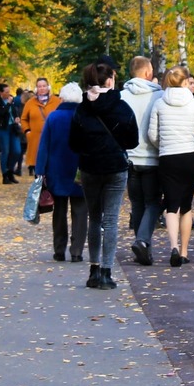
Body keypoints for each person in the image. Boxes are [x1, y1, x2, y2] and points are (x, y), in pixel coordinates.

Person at [69, 61, 139, 291]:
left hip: (90, 168)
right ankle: (107, 273)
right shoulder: (122, 107)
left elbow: (73, 143)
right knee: (111, 220)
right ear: (109, 80)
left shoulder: (82, 109)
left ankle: (94, 270)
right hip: (115, 168)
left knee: (95, 218)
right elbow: (133, 140)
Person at [148, 66, 194, 267]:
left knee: (171, 205)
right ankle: (184, 251)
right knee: (186, 205)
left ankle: (173, 246)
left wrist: (164, 144)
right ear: (185, 82)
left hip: (168, 157)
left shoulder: (159, 103)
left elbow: (152, 135)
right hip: (189, 156)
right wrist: (192, 139)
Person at [122, 56, 164, 266]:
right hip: (152, 157)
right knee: (153, 202)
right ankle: (142, 240)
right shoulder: (159, 95)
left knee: (137, 203)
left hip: (129, 157)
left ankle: (142, 246)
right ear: (148, 72)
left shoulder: (121, 96)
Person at [37, 83, 85, 262]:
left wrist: (40, 170)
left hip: (56, 170)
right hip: (81, 170)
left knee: (59, 210)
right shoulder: (85, 117)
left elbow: (44, 146)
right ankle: (77, 251)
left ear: (62, 98)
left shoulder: (53, 117)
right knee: (80, 211)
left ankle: (59, 249)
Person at [21, 78, 60, 177]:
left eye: (44, 86)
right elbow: (24, 119)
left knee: (52, 168)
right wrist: (27, 131)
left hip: (53, 139)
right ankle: (40, 186)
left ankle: (50, 186)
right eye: (39, 86)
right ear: (36, 88)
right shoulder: (30, 103)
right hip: (36, 140)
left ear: (48, 87)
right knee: (38, 170)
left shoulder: (57, 101)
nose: (42, 88)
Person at [0, 83, 21, 184]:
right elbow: (1, 113)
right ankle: (5, 175)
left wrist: (17, 117)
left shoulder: (11, 100)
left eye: (9, 91)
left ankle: (10, 170)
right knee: (5, 151)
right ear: (0, 93)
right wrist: (8, 104)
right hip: (3, 128)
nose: (8, 94)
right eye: (6, 92)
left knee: (17, 151)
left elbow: (14, 111)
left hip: (13, 128)